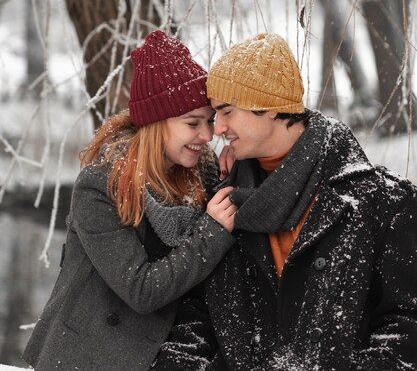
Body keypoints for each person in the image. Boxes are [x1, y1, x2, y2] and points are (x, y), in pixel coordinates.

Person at [197, 32, 417, 370]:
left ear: (269, 108)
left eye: (226, 111)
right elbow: (192, 321)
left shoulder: (382, 202)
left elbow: (407, 326)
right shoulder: (220, 207)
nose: (218, 128)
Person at [22, 30, 237, 371]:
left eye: (209, 121)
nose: (208, 135)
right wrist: (211, 233)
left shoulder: (202, 171)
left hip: (165, 348)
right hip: (91, 356)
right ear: (155, 124)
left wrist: (234, 172)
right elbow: (142, 290)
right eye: (193, 123)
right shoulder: (100, 186)